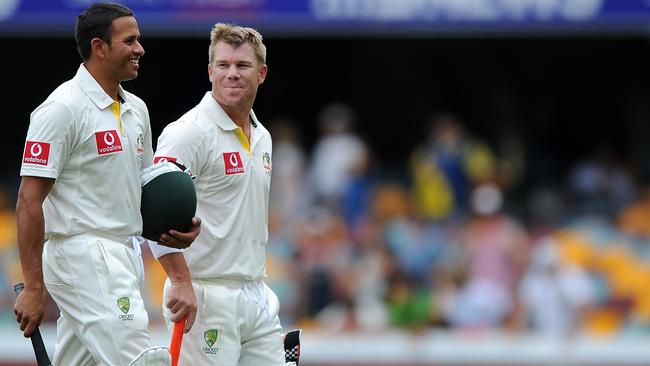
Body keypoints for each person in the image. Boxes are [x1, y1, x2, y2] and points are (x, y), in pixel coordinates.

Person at [14, 3, 200, 365]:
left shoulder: (137, 109)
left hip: (124, 252)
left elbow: (145, 192)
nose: (140, 49)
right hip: (81, 253)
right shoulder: (61, 109)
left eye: (139, 40)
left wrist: (174, 227)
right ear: (99, 47)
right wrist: (34, 286)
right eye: (129, 41)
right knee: (141, 360)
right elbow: (28, 201)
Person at [149, 23, 296, 365]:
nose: (232, 74)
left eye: (242, 66)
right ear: (210, 71)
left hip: (255, 292)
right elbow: (152, 213)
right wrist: (180, 282)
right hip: (203, 294)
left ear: (261, 74)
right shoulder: (188, 132)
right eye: (224, 65)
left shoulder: (263, 137)